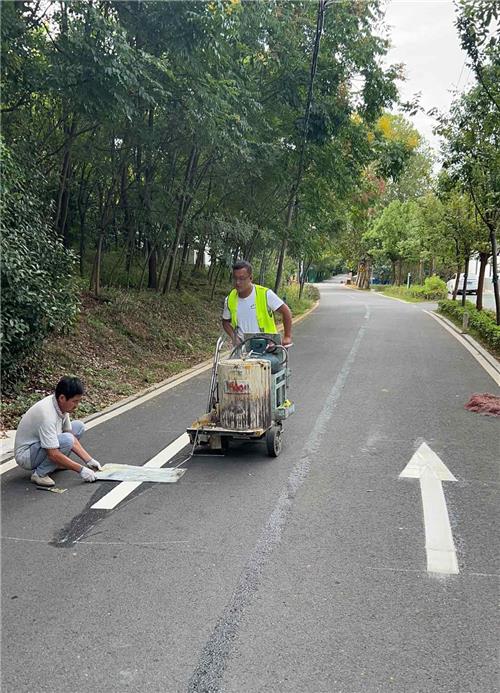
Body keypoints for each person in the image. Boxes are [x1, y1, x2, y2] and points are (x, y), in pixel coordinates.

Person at [14, 376, 102, 487]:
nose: (76, 406)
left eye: (78, 401)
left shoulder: (61, 406)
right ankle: (40, 474)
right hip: (26, 455)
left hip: (42, 445)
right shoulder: (46, 415)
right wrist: (81, 470)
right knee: (67, 440)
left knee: (78, 427)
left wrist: (89, 460)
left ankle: (57, 465)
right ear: (62, 398)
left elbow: (69, 433)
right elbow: (53, 454)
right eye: (74, 401)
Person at [222, 260, 293, 347]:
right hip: (243, 349)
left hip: (268, 347)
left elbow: (286, 312)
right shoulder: (230, 299)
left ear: (251, 278)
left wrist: (287, 336)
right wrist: (234, 337)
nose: (237, 282)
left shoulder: (265, 294)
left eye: (242, 278)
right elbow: (225, 322)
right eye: (235, 278)